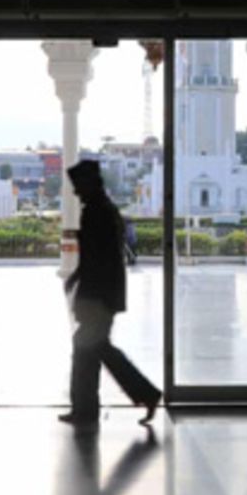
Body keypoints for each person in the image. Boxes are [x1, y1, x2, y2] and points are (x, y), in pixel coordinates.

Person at [59, 158, 161, 428]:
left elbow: (97, 258)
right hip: (104, 293)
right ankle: (87, 408)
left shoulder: (96, 212)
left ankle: (94, 407)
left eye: (78, 185)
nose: (76, 191)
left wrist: (80, 281)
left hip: (99, 294)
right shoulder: (103, 209)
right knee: (94, 349)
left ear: (89, 184)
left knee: (90, 348)